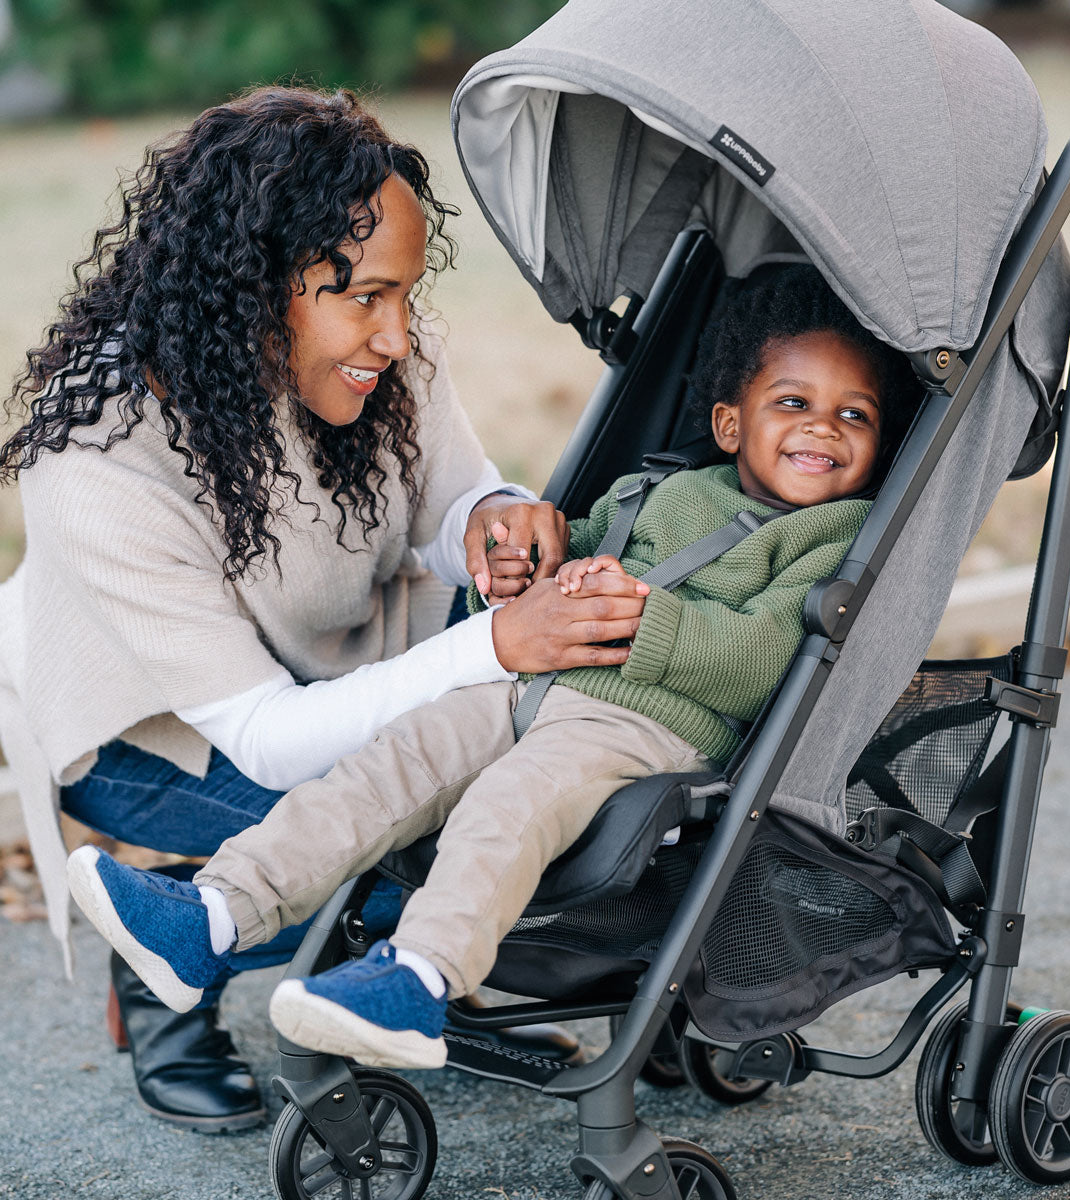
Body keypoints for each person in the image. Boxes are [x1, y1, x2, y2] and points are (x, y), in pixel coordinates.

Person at [65, 263, 922, 1070]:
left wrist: (648, 623)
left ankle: (420, 979)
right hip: (525, 690)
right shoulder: (659, 490)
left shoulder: (831, 539)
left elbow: (766, 661)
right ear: (730, 422)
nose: (823, 426)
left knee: (505, 804)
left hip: (641, 730)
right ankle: (216, 913)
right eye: (795, 402)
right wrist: (516, 578)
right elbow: (561, 576)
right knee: (388, 765)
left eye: (856, 416)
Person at [0, 87, 651, 1131]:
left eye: (405, 292)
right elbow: (266, 740)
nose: (398, 332)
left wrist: (495, 521)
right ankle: (173, 949)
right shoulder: (95, 460)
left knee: (518, 825)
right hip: (154, 735)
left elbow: (452, 502)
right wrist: (494, 640)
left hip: (345, 654)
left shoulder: (377, 347)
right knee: (403, 870)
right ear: (251, 287)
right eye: (363, 297)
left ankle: (402, 967)